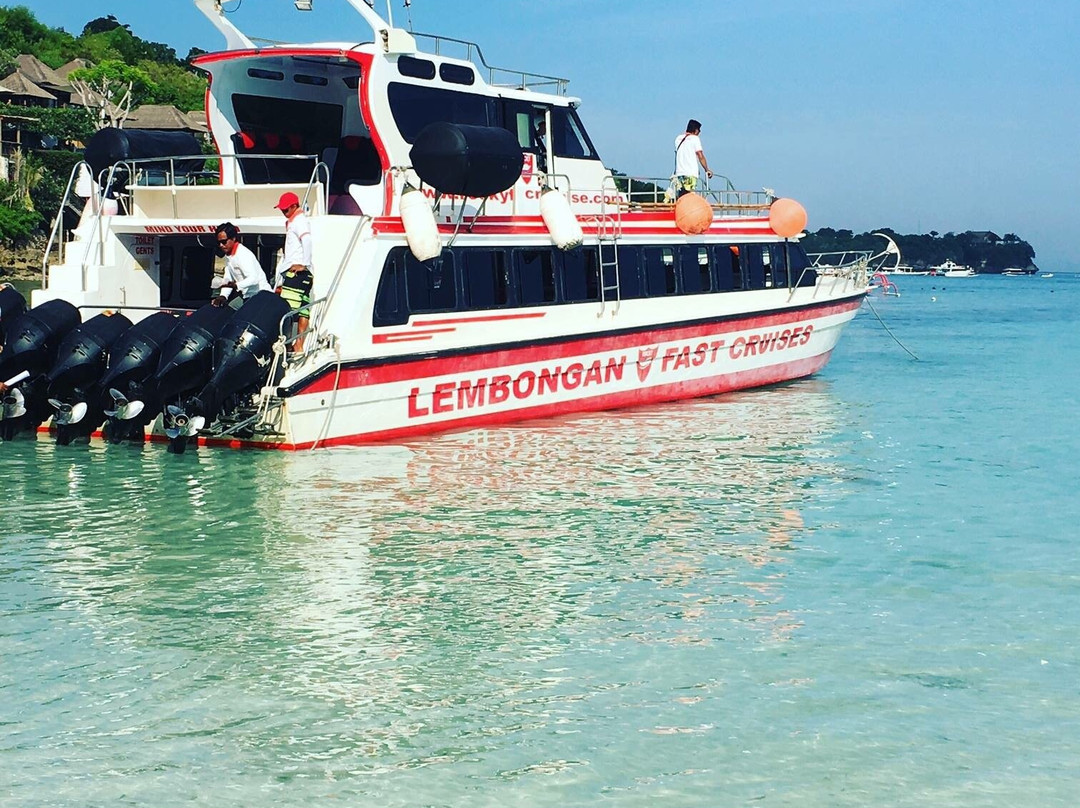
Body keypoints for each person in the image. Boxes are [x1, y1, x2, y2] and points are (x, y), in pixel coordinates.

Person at [273, 191, 315, 351]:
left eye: (285, 210)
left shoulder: (299, 221)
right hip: (303, 274)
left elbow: (307, 239)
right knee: (303, 308)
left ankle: (288, 344)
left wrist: (303, 263)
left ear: (294, 206)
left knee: (287, 309)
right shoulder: (296, 221)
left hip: (296, 272)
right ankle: (299, 345)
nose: (284, 213)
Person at [211, 222, 272, 308]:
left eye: (224, 242)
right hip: (246, 295)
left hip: (260, 295)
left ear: (233, 238)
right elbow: (228, 279)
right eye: (219, 242)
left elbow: (254, 279)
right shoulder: (229, 256)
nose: (221, 245)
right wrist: (223, 296)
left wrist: (236, 285)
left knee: (235, 315)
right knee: (227, 310)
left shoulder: (243, 254)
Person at [673, 118, 713, 197]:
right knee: (690, 197)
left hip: (679, 173)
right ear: (695, 130)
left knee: (681, 197)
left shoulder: (678, 139)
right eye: (699, 130)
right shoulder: (695, 139)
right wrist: (707, 169)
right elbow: (700, 155)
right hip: (690, 173)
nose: (699, 132)